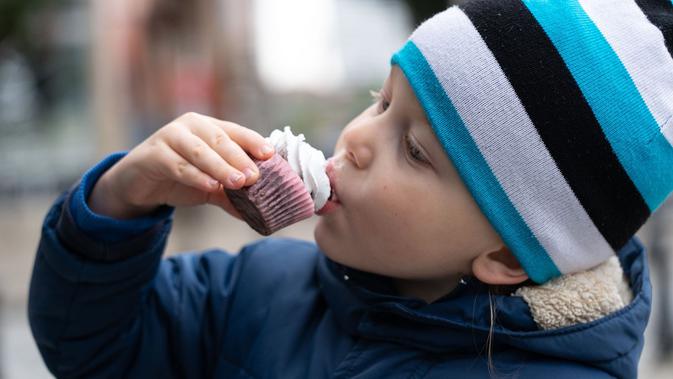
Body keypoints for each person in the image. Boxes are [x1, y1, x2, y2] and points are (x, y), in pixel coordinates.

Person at [29, 0, 673, 378]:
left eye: (416, 151)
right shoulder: (258, 290)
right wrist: (122, 200)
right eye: (380, 100)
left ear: (506, 255)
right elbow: (95, 347)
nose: (358, 139)